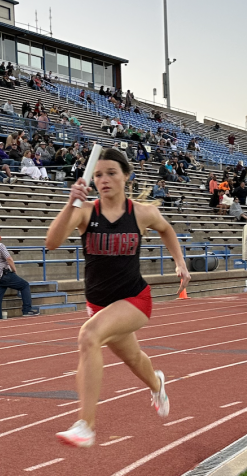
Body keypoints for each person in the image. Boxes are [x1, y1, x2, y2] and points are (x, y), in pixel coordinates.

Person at [46, 148, 188, 447]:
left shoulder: (141, 212)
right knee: (133, 358)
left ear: (126, 176)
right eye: (98, 174)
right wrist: (71, 203)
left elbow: (166, 229)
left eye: (111, 173)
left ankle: (86, 425)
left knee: (88, 337)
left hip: (135, 299)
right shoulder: (85, 211)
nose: (104, 179)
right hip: (99, 304)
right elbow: (52, 243)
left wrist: (180, 263)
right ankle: (157, 383)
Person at [0, 230, 37, 319]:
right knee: (24, 285)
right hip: (3, 273)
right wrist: (14, 270)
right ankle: (27, 309)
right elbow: (9, 259)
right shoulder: (0, 246)